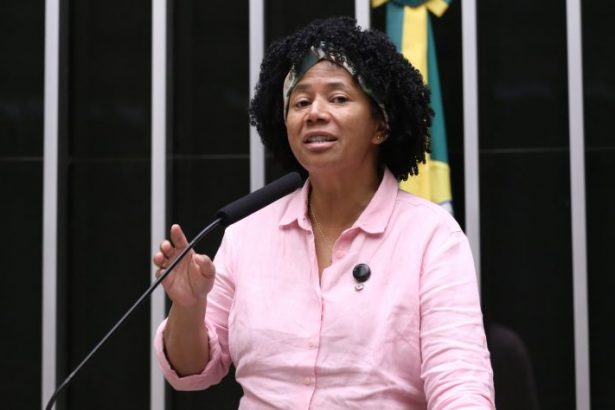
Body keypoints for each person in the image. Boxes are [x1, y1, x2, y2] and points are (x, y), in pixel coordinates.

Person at [153, 16, 495, 409]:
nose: (314, 112)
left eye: (338, 98)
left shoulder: (430, 236)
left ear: (380, 126)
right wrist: (188, 306)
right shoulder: (247, 233)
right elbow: (191, 370)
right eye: (301, 102)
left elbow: (460, 383)